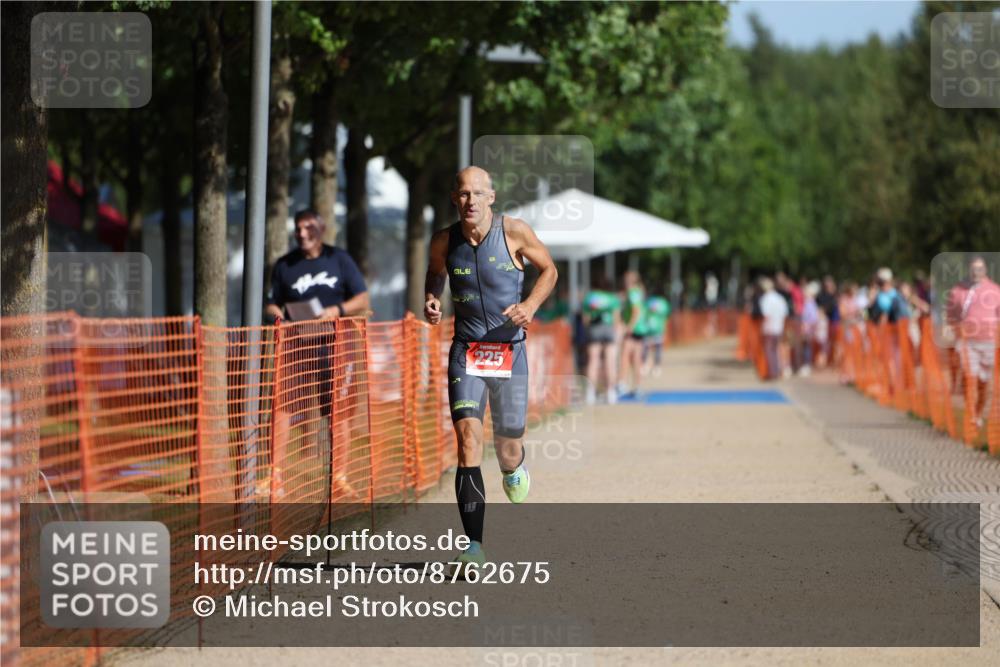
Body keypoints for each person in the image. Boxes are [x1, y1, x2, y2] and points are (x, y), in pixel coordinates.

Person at [423, 167, 557, 569]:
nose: (471, 201)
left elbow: (549, 270)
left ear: (491, 198)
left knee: (508, 447)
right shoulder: (444, 240)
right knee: (467, 441)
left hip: (509, 351)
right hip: (466, 351)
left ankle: (514, 466)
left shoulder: (514, 232)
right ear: (454, 198)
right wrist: (432, 298)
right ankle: (474, 546)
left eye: (478, 193)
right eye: (464, 194)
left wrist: (530, 306)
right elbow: (435, 273)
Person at [265, 209, 370, 498]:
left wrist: (337, 310)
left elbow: (362, 298)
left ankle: (339, 477)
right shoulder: (285, 265)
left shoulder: (339, 260)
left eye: (308, 227)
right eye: (298, 228)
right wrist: (279, 319)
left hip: (337, 345)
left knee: (339, 412)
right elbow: (272, 303)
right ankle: (274, 477)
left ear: (320, 230)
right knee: (283, 407)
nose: (302, 233)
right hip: (297, 343)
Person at [946, 256, 1000, 430]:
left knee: (984, 382)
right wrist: (954, 332)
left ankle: (977, 412)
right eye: (974, 269)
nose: (977, 272)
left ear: (985, 270)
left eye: (980, 269)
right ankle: (970, 416)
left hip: (989, 342)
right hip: (968, 342)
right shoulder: (958, 291)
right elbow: (951, 315)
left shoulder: (995, 290)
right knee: (970, 378)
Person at [582, 276, 621, 404]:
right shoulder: (612, 298)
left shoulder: (589, 297)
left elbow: (585, 319)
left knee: (593, 360)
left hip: (594, 328)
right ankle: (610, 392)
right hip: (609, 328)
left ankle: (590, 393)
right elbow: (616, 318)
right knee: (610, 361)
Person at [617, 270, 646, 398]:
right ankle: (637, 387)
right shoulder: (638, 291)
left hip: (634, 329)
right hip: (640, 328)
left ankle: (621, 384)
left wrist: (629, 327)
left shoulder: (633, 292)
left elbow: (636, 310)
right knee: (636, 358)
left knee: (626, 355)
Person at [758, 277, 789, 380]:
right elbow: (785, 313)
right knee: (777, 350)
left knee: (770, 350)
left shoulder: (766, 299)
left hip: (769, 328)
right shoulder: (780, 298)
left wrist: (762, 328)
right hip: (779, 327)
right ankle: (778, 370)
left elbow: (766, 315)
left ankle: (772, 371)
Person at [641, 293, 671, 378]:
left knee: (649, 348)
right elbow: (666, 317)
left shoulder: (648, 302)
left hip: (652, 329)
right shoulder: (663, 303)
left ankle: (649, 365)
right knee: (654, 348)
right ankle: (654, 366)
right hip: (655, 329)